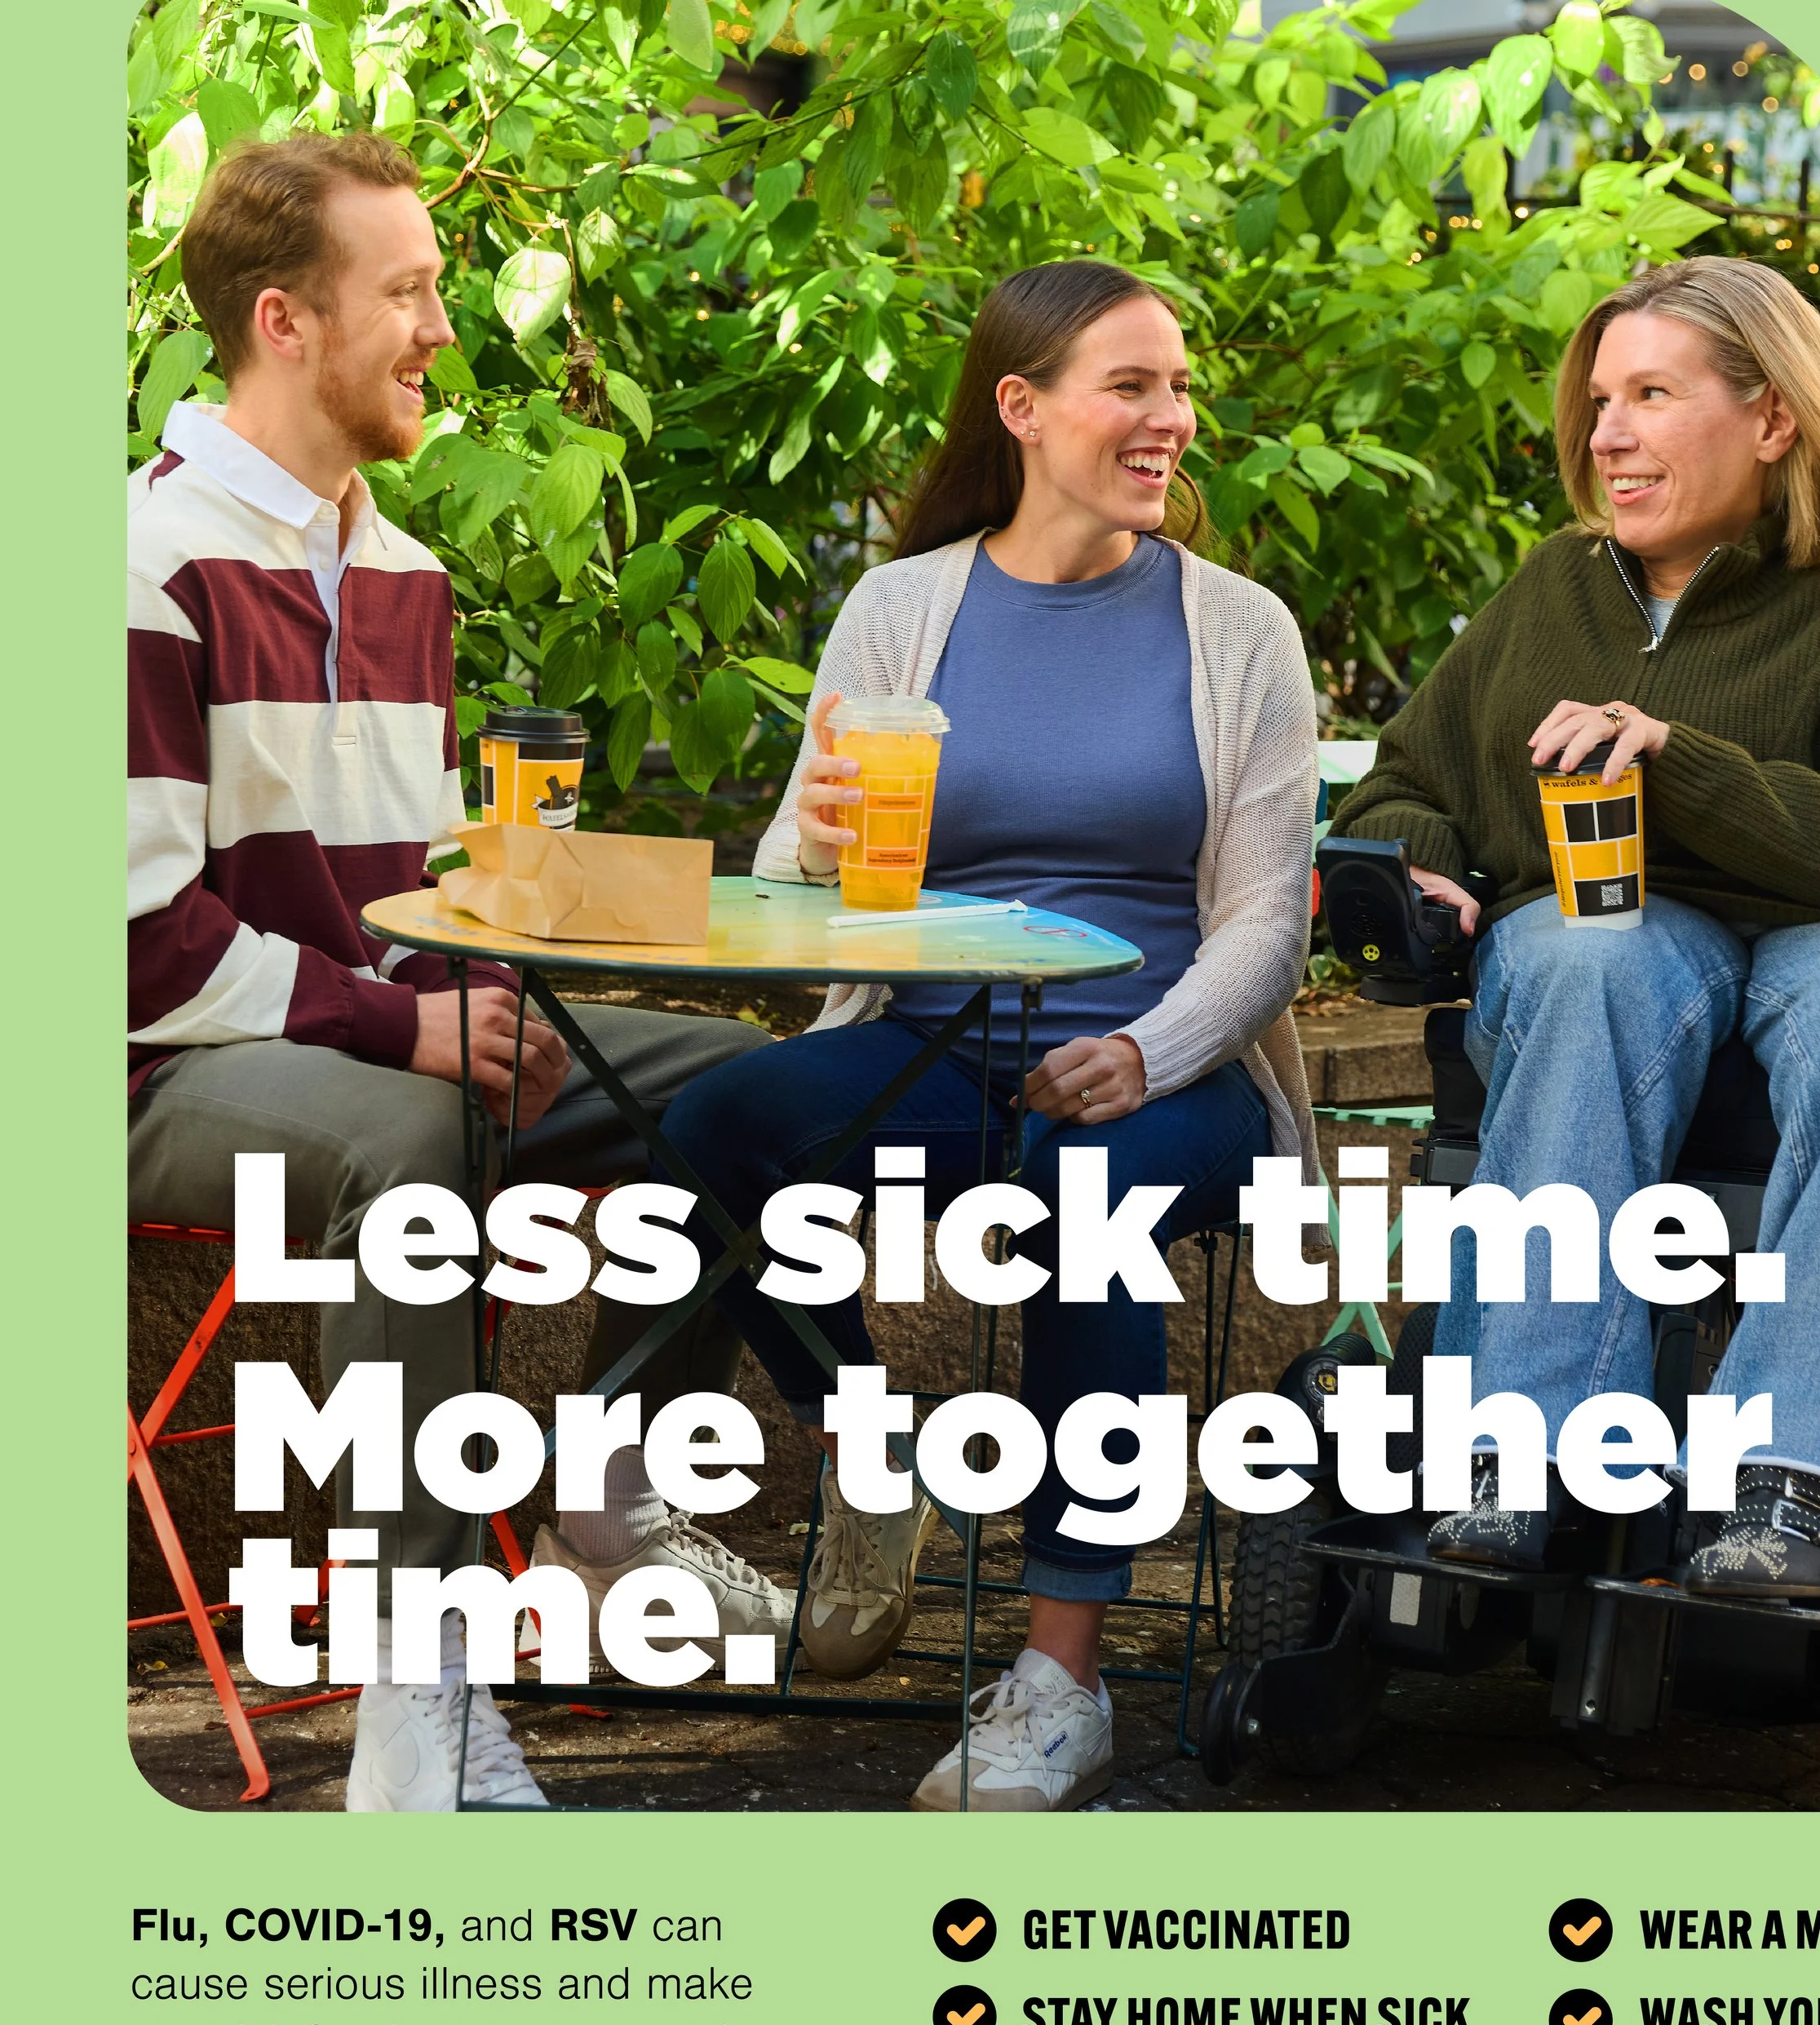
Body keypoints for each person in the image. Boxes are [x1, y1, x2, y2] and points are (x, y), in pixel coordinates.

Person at [127, 131, 787, 1811]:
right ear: (285, 321)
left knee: (757, 1089)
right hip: (158, 1074)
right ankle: (419, 1704)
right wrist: (409, 1026)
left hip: (366, 1031)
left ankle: (603, 1518)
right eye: (406, 291)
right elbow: (134, 944)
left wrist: (539, 952)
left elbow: (412, 893)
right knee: (409, 1150)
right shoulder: (139, 568)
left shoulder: (403, 573)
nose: (441, 327)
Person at [653, 260, 1320, 1810]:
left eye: (1177, 386)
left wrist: (1150, 1053)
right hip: (938, 1049)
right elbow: (788, 877)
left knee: (1088, 1194)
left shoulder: (1240, 632)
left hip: (1172, 1069)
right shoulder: (906, 607)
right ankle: (876, 1456)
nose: (1171, 420)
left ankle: (1060, 1681)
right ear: (1023, 411)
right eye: (1130, 387)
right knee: (711, 1131)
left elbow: (1268, 928)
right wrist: (814, 836)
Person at [1336, 255, 1820, 1600]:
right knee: (1599, 953)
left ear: (1773, 420)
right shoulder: (1552, 595)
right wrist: (1432, 875)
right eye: (1602, 400)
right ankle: (1527, 1451)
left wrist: (1682, 767)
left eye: (1652, 393)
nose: (1607, 435)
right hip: (1601, 948)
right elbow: (1400, 787)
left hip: (1816, 953)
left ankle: (1804, 1484)